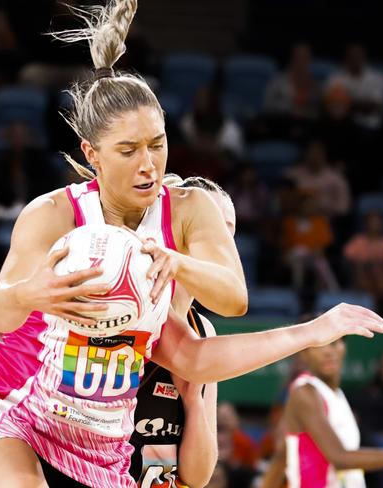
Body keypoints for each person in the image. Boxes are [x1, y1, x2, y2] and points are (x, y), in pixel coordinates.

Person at [0, 2, 383, 487]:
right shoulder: (53, 213)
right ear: (91, 154)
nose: (148, 165)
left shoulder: (186, 210)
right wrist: (32, 294)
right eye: (129, 150)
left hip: (101, 450)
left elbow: (227, 308)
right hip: (15, 413)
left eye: (157, 144)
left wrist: (310, 329)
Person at [130, 176, 235, 488]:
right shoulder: (125, 306)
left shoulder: (204, 330)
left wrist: (193, 401)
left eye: (229, 232)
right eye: (213, 227)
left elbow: (198, 476)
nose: (224, 245)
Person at [264, 338, 383, 488]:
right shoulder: (305, 391)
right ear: (305, 353)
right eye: (319, 345)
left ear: (343, 347)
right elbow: (340, 458)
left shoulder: (337, 394)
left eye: (333, 343)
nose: (327, 352)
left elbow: (282, 454)